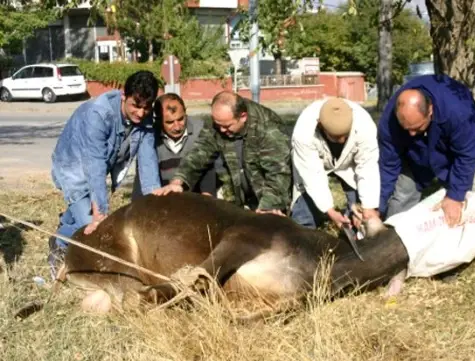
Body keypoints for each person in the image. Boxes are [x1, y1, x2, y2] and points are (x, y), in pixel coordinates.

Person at [49, 70, 161, 279]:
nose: (140, 113)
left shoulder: (145, 118)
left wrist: (154, 203)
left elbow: (148, 162)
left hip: (96, 168)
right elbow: (95, 165)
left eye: (146, 107)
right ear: (123, 96)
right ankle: (60, 247)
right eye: (136, 106)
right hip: (73, 168)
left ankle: (64, 229)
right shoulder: (98, 114)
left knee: (82, 217)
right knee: (93, 230)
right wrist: (100, 212)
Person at [152, 91, 292, 215]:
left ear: (243, 116)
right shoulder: (220, 123)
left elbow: (278, 173)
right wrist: (178, 182)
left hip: (267, 200)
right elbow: (199, 153)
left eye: (227, 126)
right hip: (238, 198)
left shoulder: (270, 129)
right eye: (218, 125)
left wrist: (268, 207)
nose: (222, 130)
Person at [376, 74, 475, 226]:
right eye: (406, 129)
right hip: (414, 154)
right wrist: (377, 206)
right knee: (402, 195)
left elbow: (466, 156)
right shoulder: (390, 121)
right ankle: (395, 238)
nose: (411, 133)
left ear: (430, 110)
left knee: (454, 204)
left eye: (416, 127)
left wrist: (455, 196)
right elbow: (388, 164)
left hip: (451, 150)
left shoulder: (459, 112)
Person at [289, 97, 380, 230]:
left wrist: (368, 207)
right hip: (313, 164)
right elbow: (312, 176)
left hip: (350, 164)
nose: (342, 141)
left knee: (360, 212)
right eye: (337, 137)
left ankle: (353, 229)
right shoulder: (304, 132)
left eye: (346, 135)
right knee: (303, 218)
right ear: (321, 126)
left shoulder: (364, 125)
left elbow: (367, 167)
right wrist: (330, 211)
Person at [131, 93, 220, 200]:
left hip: (196, 195)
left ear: (185, 112)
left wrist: (208, 197)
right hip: (163, 196)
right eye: (170, 122)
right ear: (158, 120)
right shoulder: (149, 139)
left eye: (181, 119)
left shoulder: (201, 129)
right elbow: (143, 175)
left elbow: (208, 164)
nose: (177, 127)